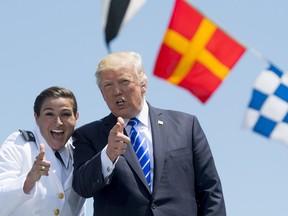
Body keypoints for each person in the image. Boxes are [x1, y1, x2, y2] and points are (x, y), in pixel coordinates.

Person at [72, 51, 226, 215]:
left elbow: (211, 191)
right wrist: (108, 155)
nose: (116, 91)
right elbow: (83, 188)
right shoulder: (88, 135)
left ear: (143, 85)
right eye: (108, 85)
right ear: (102, 93)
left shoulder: (186, 126)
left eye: (124, 81)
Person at [0, 86, 86, 216]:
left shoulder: (79, 151)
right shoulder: (19, 144)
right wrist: (29, 180)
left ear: (76, 117)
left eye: (65, 114)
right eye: (49, 114)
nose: (58, 122)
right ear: (36, 117)